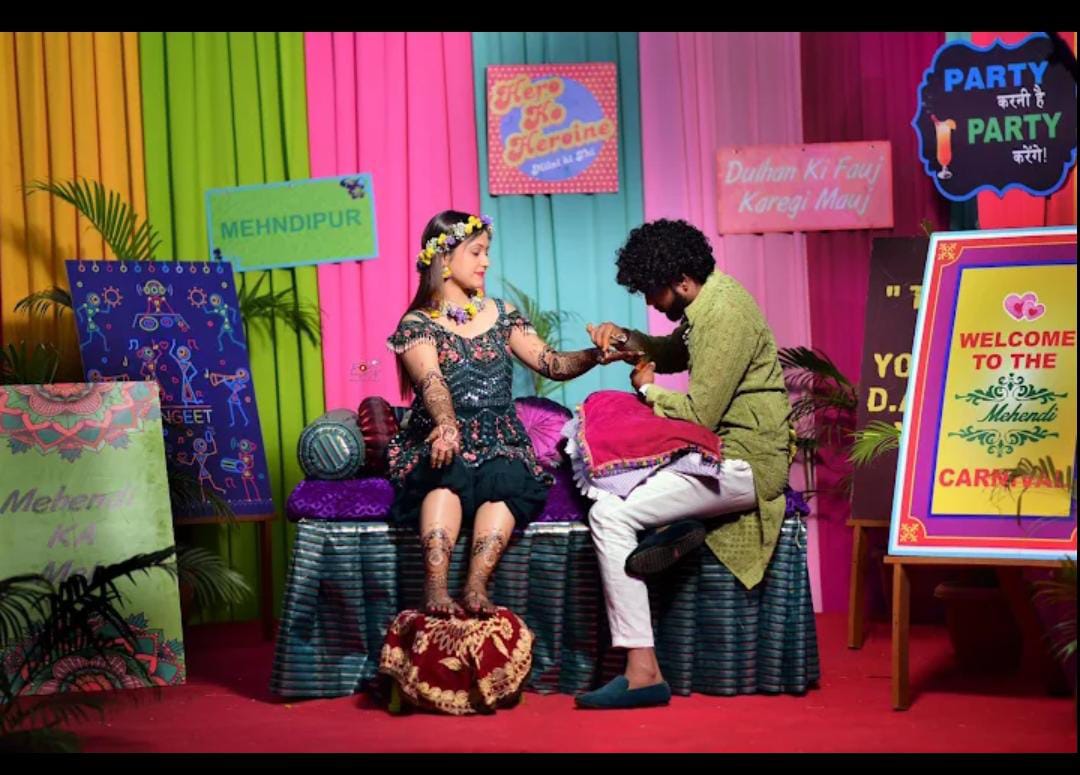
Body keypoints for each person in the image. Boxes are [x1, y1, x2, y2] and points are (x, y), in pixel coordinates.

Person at [576, 218, 793, 710]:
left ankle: (642, 673)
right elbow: (674, 351)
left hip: (744, 462)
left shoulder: (725, 314)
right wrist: (626, 340)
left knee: (609, 514)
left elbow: (698, 414)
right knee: (613, 480)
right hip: (716, 453)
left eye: (651, 291)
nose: (650, 302)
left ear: (681, 281)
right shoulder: (711, 300)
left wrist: (648, 390)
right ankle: (669, 527)